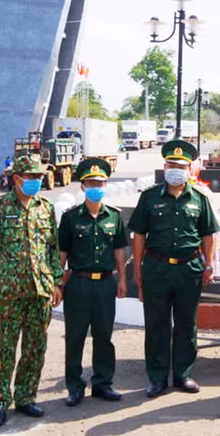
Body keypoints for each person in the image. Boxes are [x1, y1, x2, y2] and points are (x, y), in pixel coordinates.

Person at [0, 154, 64, 427]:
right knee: (2, 349)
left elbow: (52, 249)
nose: (36, 181)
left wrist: (56, 282)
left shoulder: (45, 208)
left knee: (35, 348)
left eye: (38, 177)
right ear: (16, 179)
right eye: (31, 177)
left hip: (39, 291)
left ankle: (26, 397)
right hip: (7, 292)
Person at [129, 139, 219, 398]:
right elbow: (139, 235)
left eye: (181, 166)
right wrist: (138, 269)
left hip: (189, 268)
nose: (176, 169)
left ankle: (183, 375)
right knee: (156, 324)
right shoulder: (149, 198)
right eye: (171, 164)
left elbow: (208, 235)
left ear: (190, 169)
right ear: (164, 166)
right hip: (156, 267)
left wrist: (209, 264)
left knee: (186, 324)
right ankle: (157, 378)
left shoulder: (200, 199)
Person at [58, 157, 127, 407]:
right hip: (78, 282)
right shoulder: (70, 218)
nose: (95, 186)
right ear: (83, 187)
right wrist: (58, 283)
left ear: (106, 184)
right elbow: (62, 254)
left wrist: (122, 279)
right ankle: (75, 387)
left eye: (100, 182)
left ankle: (102, 384)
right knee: (75, 336)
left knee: (104, 336)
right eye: (90, 182)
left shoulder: (114, 217)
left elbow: (120, 249)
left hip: (106, 283)